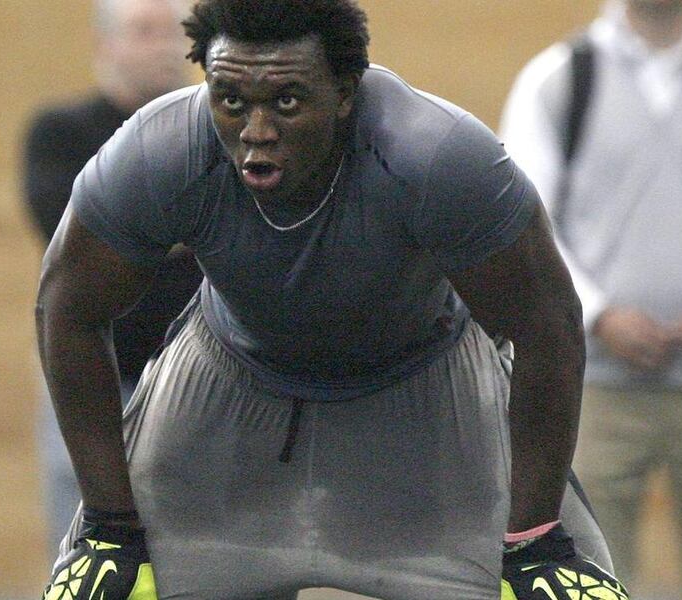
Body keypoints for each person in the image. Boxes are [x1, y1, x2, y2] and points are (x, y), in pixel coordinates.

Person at [36, 1, 631, 599]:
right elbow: (68, 311)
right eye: (231, 100)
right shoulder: (161, 151)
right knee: (98, 590)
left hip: (428, 386)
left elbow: (548, 327)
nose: (256, 130)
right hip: (229, 382)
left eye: (288, 101)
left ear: (346, 93)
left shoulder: (436, 157)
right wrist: (109, 525)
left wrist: (533, 538)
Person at [499, 1, 682, 598]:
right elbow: (525, 222)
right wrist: (597, 315)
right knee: (589, 581)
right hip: (589, 394)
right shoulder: (559, 77)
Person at [22, 0, 202, 552]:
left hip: (194, 384)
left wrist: (136, 230)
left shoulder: (214, 136)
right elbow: (70, 235)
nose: (162, 47)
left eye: (172, 34)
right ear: (107, 46)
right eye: (143, 32)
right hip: (90, 376)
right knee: (87, 548)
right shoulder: (61, 132)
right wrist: (183, 228)